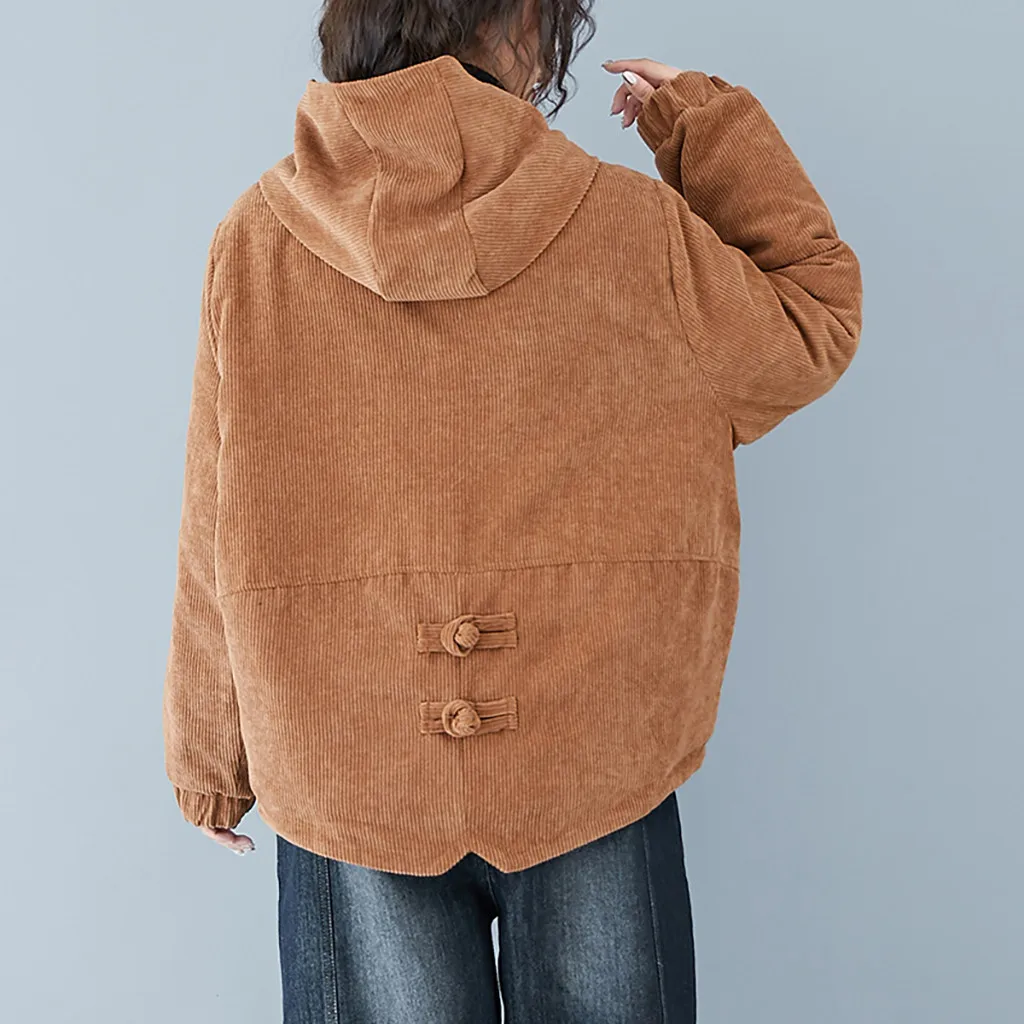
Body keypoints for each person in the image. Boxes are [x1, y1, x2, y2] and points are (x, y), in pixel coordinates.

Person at [161, 0, 862, 1020]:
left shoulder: (255, 242)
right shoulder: (634, 229)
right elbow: (810, 322)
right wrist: (702, 127)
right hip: (591, 755)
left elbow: (214, 511)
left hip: (346, 758)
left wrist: (208, 754)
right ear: (521, 24)